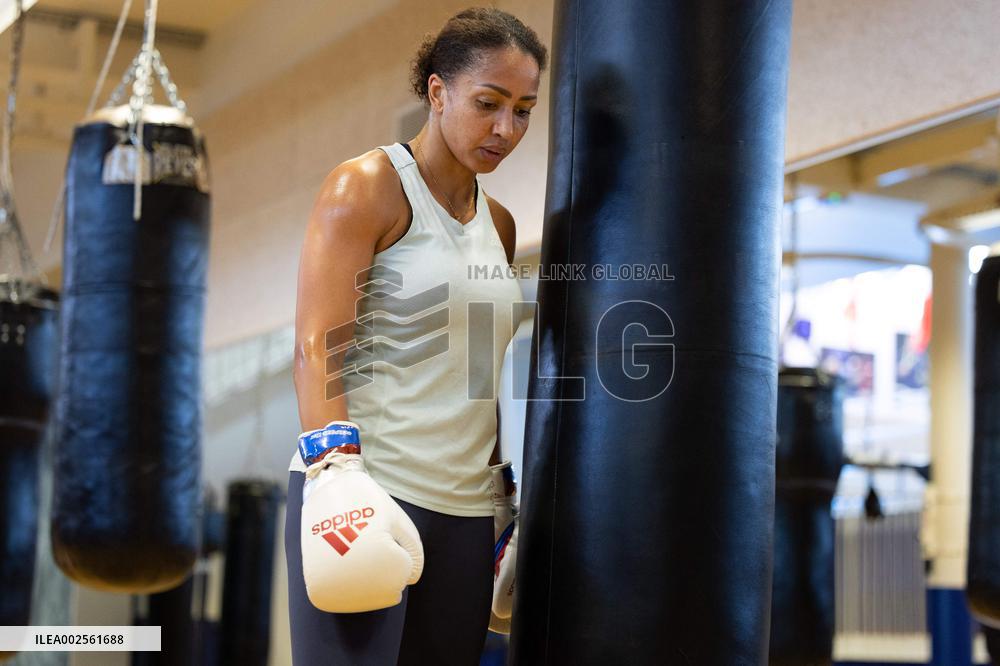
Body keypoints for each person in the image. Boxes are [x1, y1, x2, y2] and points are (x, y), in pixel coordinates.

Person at [285, 7, 547, 665]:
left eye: (523, 110)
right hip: (367, 488)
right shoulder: (370, 187)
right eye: (488, 103)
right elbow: (317, 344)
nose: (504, 128)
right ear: (437, 92)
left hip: (461, 516)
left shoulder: (502, 226)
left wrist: (506, 503)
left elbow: (478, 372)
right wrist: (335, 474)